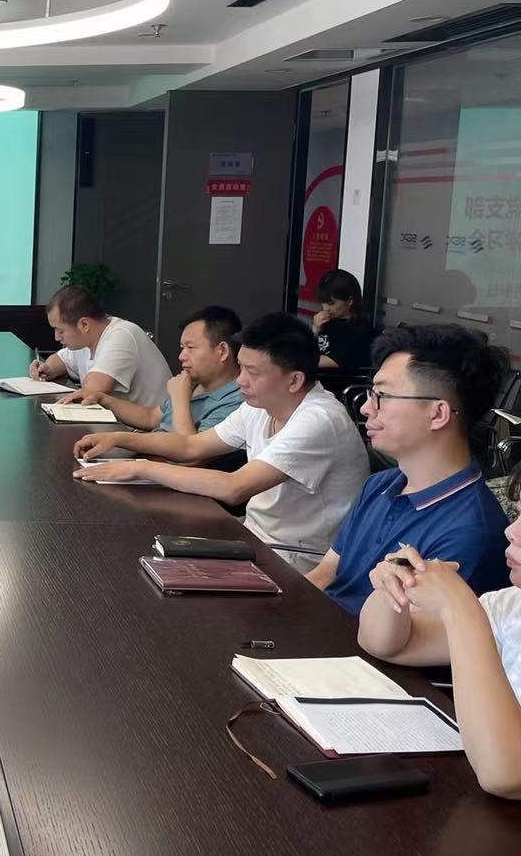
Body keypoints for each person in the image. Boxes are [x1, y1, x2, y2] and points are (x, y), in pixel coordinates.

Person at [75, 312, 370, 565]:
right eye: (241, 368)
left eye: (252, 372)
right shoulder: (260, 405)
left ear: (294, 380)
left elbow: (234, 488)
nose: (240, 380)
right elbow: (191, 446)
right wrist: (120, 439)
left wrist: (140, 467)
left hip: (295, 559)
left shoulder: (318, 419)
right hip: (252, 536)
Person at [304, 324, 511, 614]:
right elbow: (326, 573)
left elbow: (408, 635)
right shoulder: (379, 484)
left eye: (381, 396)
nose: (366, 408)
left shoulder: (470, 532)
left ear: (437, 414)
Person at [357, 502, 521, 799]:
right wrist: (396, 585)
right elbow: (387, 644)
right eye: (519, 514)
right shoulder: (511, 605)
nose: (511, 531)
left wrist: (459, 608)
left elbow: (505, 774)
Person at [62, 305, 243, 433]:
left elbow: (191, 455)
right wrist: (102, 399)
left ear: (222, 351)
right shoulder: (195, 382)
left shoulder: (237, 401)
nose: (181, 357)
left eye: (191, 348)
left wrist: (179, 398)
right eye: (182, 348)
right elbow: (150, 417)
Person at [27, 285, 172, 410]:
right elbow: (60, 359)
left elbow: (91, 392)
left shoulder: (121, 335)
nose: (56, 338)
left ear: (84, 325)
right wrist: (48, 369)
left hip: (154, 429)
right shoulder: (87, 338)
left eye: (60, 331)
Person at [312, 268, 379, 370]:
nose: (326, 308)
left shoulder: (357, 330)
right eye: (323, 302)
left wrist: (297, 360)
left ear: (349, 301)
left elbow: (334, 360)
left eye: (331, 303)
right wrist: (315, 330)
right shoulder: (326, 322)